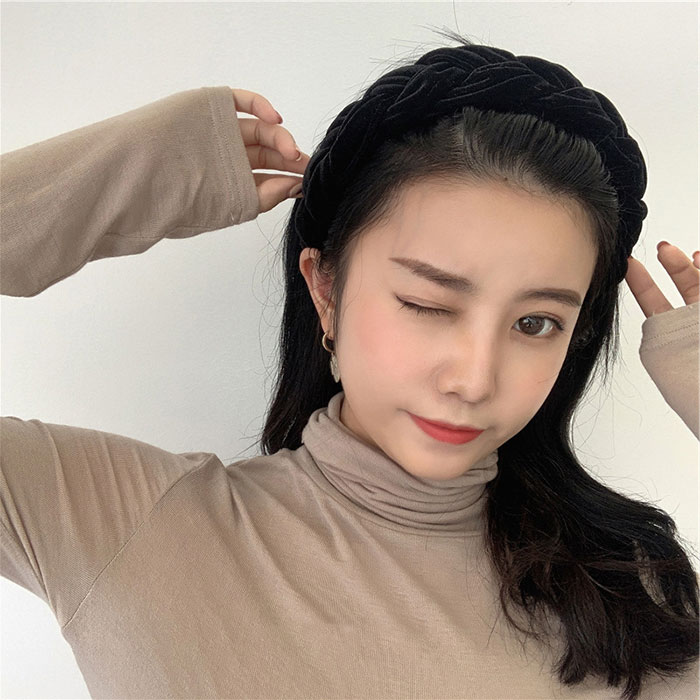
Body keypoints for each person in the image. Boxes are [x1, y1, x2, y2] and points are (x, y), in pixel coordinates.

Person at [1, 33, 698, 699]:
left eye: (535, 323)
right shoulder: (120, 524)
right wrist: (132, 172)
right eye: (427, 304)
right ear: (325, 292)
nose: (473, 380)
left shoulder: (630, 592)